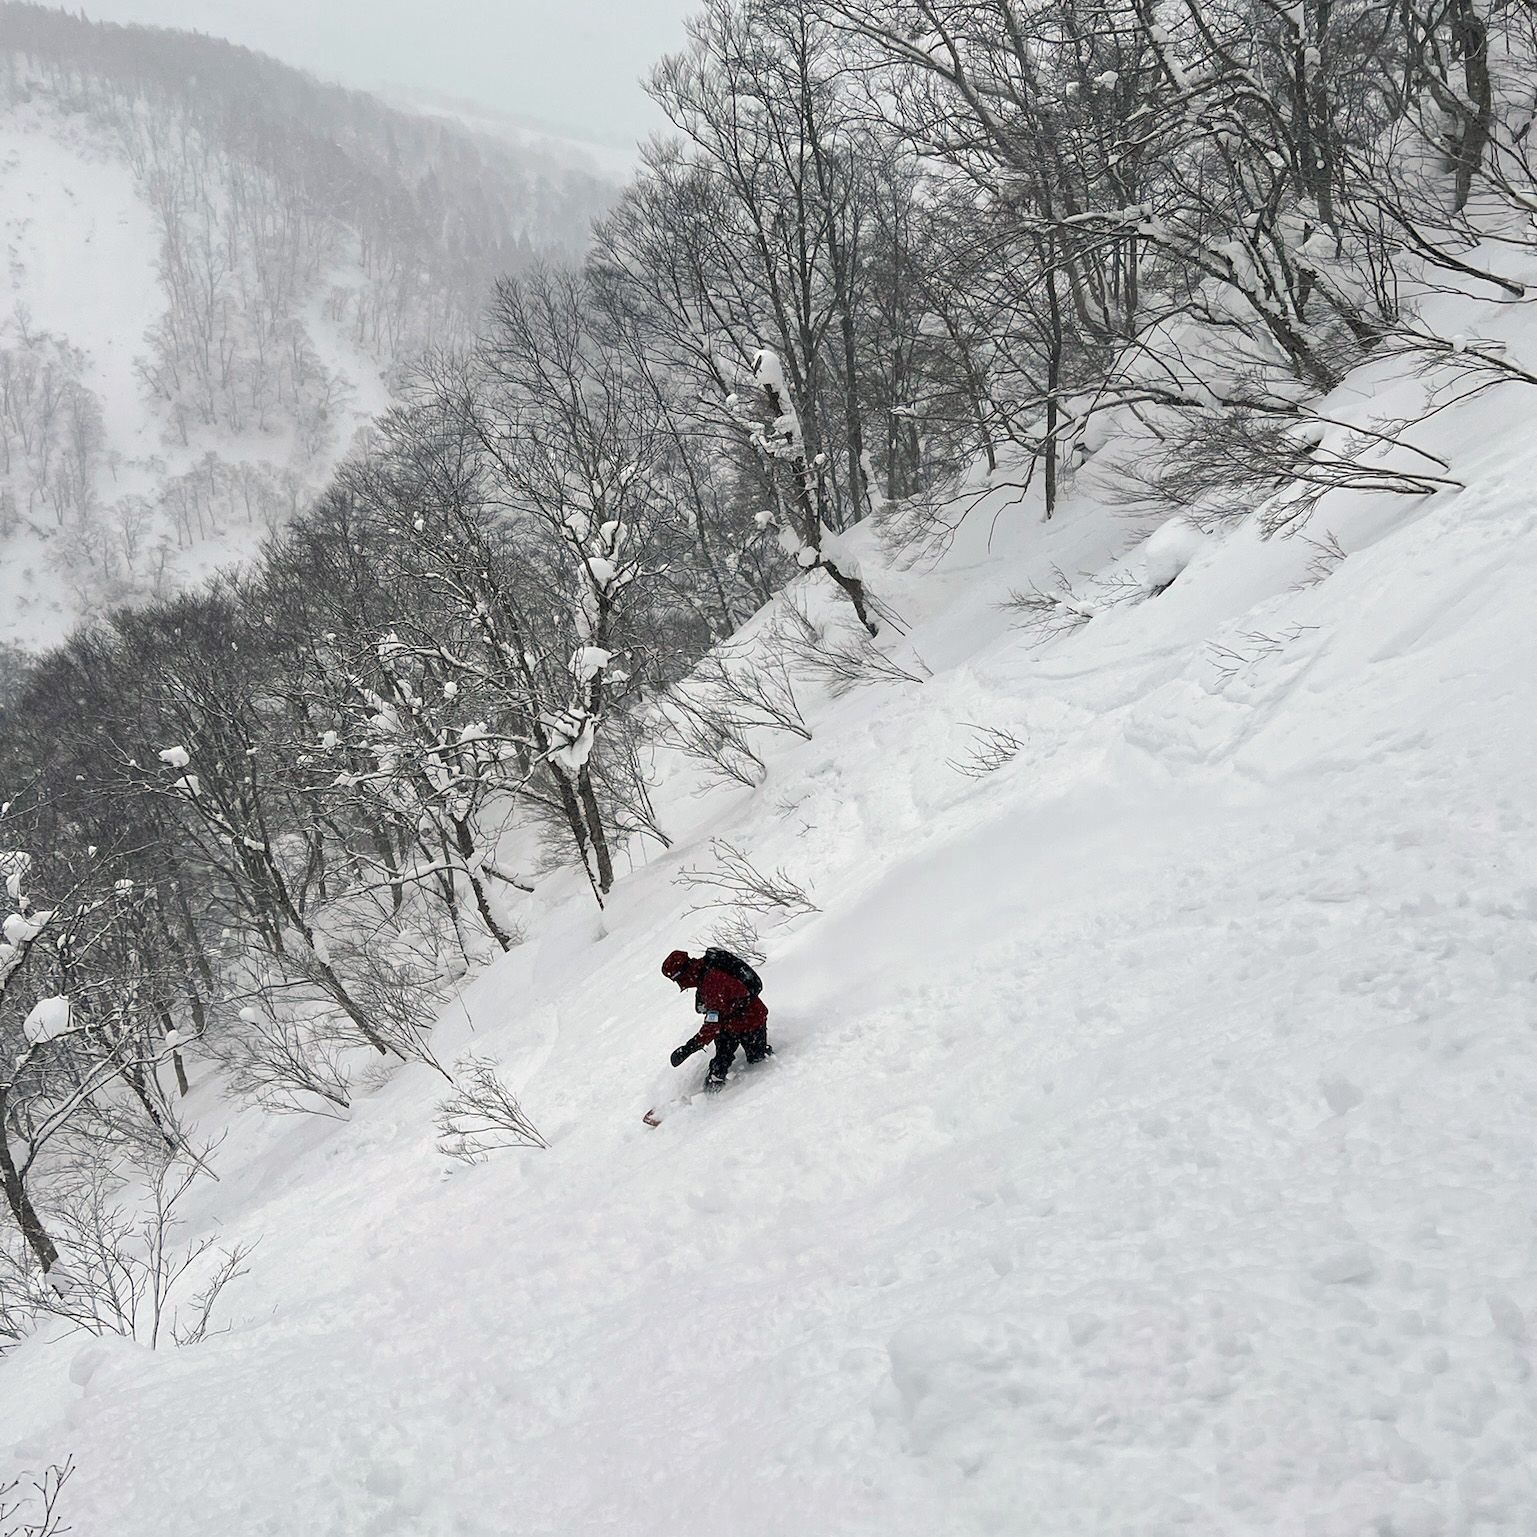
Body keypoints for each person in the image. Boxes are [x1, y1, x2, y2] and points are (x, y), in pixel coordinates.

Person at [661, 948, 771, 1091]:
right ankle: (712, 1090)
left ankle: (764, 1086)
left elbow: (711, 1026)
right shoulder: (704, 967)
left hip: (750, 1022)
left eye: (676, 979)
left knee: (758, 1061)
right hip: (732, 1023)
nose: (679, 984)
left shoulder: (711, 983)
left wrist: (688, 1049)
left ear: (683, 974)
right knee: (720, 1061)